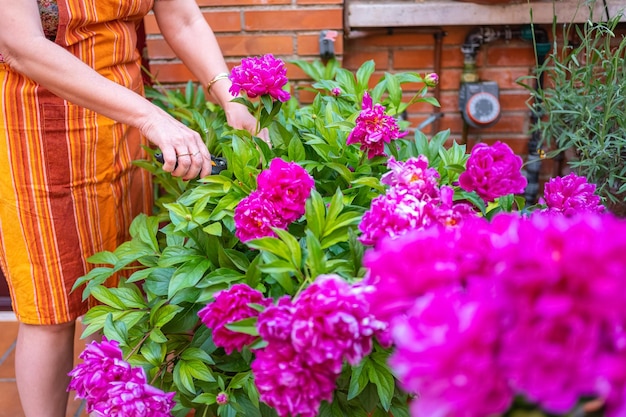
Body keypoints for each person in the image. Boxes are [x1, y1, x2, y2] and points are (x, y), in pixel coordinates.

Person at [0, 1, 265, 416]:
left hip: (123, 131)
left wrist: (230, 97)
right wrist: (150, 118)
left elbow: (183, 17)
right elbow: (20, 45)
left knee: (120, 294)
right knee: (49, 307)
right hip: (39, 128)